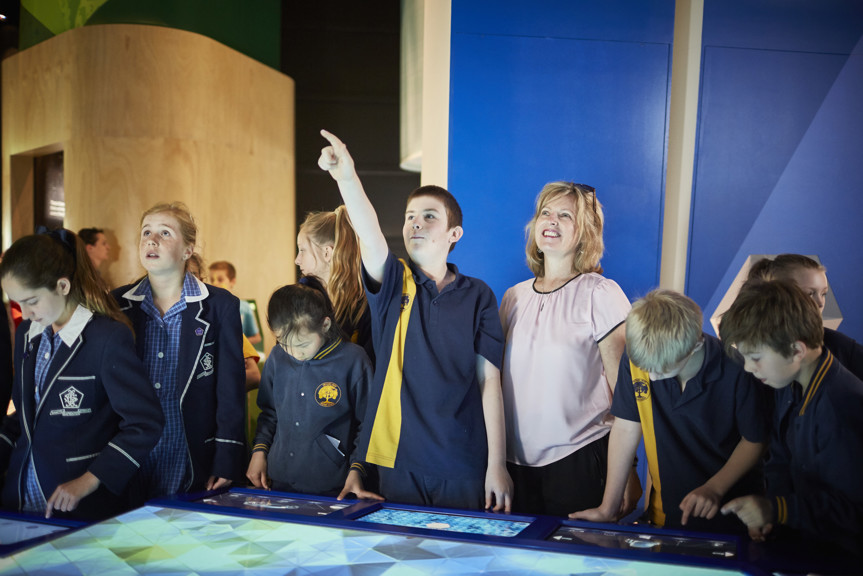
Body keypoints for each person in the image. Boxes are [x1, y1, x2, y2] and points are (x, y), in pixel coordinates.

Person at [318, 130, 512, 511]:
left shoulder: (480, 295)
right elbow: (369, 232)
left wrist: (497, 464)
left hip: (463, 462)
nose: (416, 224)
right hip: (399, 462)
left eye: (429, 216)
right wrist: (346, 178)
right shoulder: (393, 281)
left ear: (454, 234)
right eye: (410, 217)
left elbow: (489, 381)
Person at [0, 230, 163, 520]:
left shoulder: (107, 337)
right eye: (16, 303)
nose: (24, 314)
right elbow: (26, 415)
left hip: (79, 506)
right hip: (20, 500)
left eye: (32, 301)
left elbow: (144, 423)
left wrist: (88, 481)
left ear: (62, 285)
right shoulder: (28, 334)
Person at [573, 289, 767, 532]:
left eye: (663, 371)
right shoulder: (639, 357)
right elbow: (625, 425)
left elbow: (755, 440)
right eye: (646, 368)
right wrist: (608, 507)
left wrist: (714, 487)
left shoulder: (738, 368)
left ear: (695, 345)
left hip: (732, 512)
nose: (652, 377)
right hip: (667, 511)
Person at [499, 181, 638, 516]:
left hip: (580, 464)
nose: (552, 221)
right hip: (513, 470)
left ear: (584, 233)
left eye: (565, 215)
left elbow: (628, 396)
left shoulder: (600, 293)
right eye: (546, 212)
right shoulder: (512, 297)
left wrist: (628, 470)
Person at [719, 279, 863, 554]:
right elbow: (781, 459)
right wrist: (771, 516)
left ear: (797, 350)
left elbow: (854, 510)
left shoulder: (841, 408)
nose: (748, 368)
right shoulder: (789, 386)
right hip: (808, 545)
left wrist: (778, 509)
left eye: (756, 357)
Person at [113, 202, 246, 497]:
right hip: (128, 450)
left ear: (188, 250)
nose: (152, 240)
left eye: (165, 233)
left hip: (189, 448)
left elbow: (230, 390)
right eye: (146, 232)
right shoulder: (116, 304)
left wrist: (227, 458)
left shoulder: (220, 306)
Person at [247, 277, 372, 496]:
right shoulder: (277, 357)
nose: (294, 353)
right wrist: (259, 451)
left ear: (325, 325)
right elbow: (269, 413)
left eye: (302, 345)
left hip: (333, 484)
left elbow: (369, 423)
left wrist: (358, 469)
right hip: (279, 478)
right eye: (284, 343)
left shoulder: (353, 360)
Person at [748, 254, 863, 380]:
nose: (820, 303)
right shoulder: (750, 351)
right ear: (775, 294)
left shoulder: (841, 347)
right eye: (809, 293)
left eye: (823, 293)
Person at [296, 207, 372, 362]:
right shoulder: (298, 297)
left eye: (302, 250)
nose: (297, 260)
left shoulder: (366, 302)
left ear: (327, 253)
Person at [208, 261, 262, 346]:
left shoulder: (244, 307)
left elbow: (257, 337)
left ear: (232, 281)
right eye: (212, 280)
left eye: (220, 279)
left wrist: (236, 342)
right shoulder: (207, 307)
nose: (214, 283)